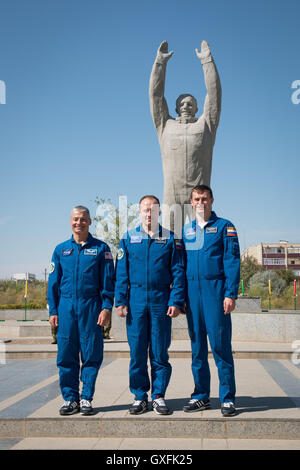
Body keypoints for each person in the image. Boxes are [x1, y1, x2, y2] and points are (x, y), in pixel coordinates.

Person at [115, 195, 186, 415]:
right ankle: (139, 396)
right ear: (139, 212)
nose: (149, 214)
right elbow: (121, 273)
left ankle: (158, 395)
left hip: (160, 300)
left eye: (153, 210)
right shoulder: (128, 238)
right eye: (145, 210)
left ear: (159, 213)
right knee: (137, 351)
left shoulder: (171, 239)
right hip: (136, 300)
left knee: (159, 351)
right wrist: (120, 300)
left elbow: (178, 271)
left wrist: (176, 300)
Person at [47, 205, 114, 416]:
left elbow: (108, 281)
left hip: (91, 307)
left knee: (91, 355)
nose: (79, 223)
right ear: (70, 221)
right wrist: (53, 310)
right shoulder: (60, 250)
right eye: (76, 219)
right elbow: (53, 283)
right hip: (66, 307)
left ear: (90, 222)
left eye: (83, 219)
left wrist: (106, 307)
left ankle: (86, 398)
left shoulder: (102, 249)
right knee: (66, 356)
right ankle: (70, 399)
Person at [149, 40, 221, 230]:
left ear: (197, 108)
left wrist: (207, 61)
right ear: (175, 108)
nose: (185, 107)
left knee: (202, 241)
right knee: (168, 244)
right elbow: (155, 96)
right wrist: (159, 64)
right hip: (172, 196)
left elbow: (214, 95)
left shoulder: (205, 125)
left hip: (199, 196)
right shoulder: (165, 125)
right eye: (181, 104)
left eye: (190, 104)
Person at [182, 185, 240, 416]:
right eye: (197, 199)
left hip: (215, 293)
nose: (201, 202)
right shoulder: (187, 230)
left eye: (204, 198)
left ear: (212, 199)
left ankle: (227, 398)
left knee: (220, 346)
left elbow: (232, 261)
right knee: (197, 349)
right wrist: (180, 297)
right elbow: (180, 265)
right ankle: (201, 396)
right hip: (192, 295)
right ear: (191, 201)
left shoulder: (225, 227)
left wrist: (230, 293)